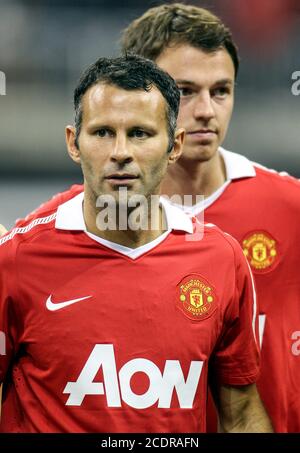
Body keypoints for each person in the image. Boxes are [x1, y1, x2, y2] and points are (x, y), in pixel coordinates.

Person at [7, 3, 299, 433]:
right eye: (183, 90)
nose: (205, 110)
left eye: (220, 90)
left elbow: (241, 408)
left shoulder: (273, 218)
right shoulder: (37, 242)